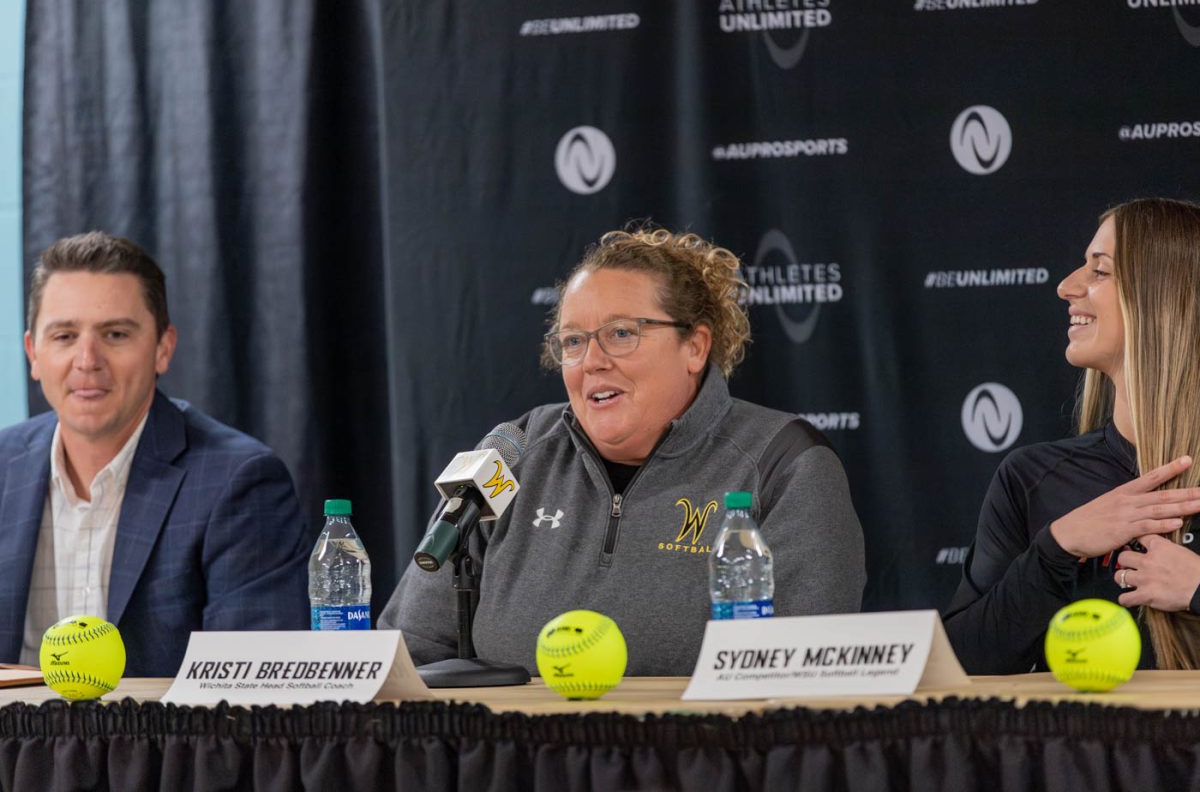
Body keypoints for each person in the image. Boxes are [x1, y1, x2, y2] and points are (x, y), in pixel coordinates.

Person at [381, 227, 866, 675]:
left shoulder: (784, 463)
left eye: (621, 334)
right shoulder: (516, 454)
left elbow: (811, 679)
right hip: (516, 761)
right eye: (573, 341)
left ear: (695, 347)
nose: (592, 361)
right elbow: (409, 651)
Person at [0, 232, 312, 677]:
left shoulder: (240, 481)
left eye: (116, 334)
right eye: (65, 335)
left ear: (162, 348)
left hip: (172, 747)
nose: (87, 359)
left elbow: (255, 696)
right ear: (33, 353)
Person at [944, 198, 1200, 673]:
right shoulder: (1031, 478)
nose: (1066, 287)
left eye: (1099, 271)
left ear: (1163, 295)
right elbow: (959, 666)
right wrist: (1056, 548)